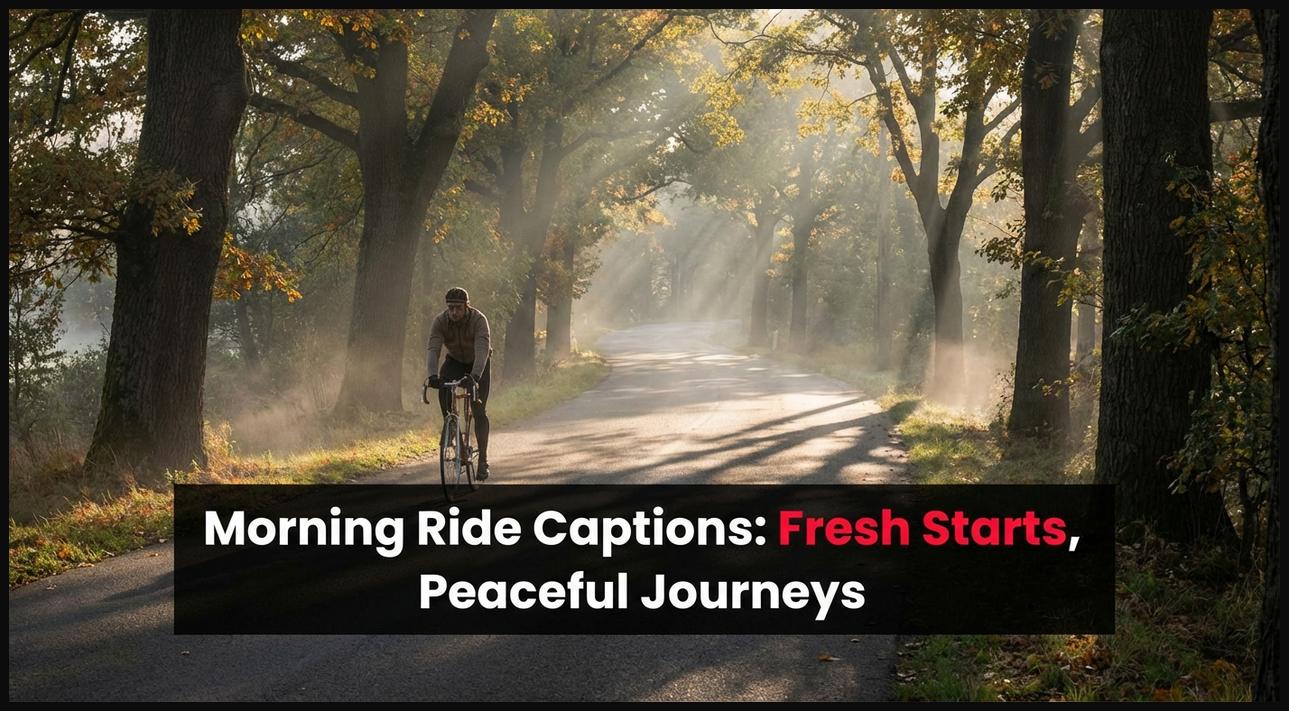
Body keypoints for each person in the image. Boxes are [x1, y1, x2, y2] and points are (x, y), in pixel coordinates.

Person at [426, 287, 492, 480]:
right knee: (444, 390)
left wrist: (475, 377)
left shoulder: (479, 320)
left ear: (466, 306)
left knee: (479, 410)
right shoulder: (440, 321)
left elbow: (482, 350)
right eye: (450, 308)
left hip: (478, 363)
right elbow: (433, 349)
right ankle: (451, 426)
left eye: (458, 308)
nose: (454, 312)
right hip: (454, 360)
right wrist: (432, 376)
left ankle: (483, 461)